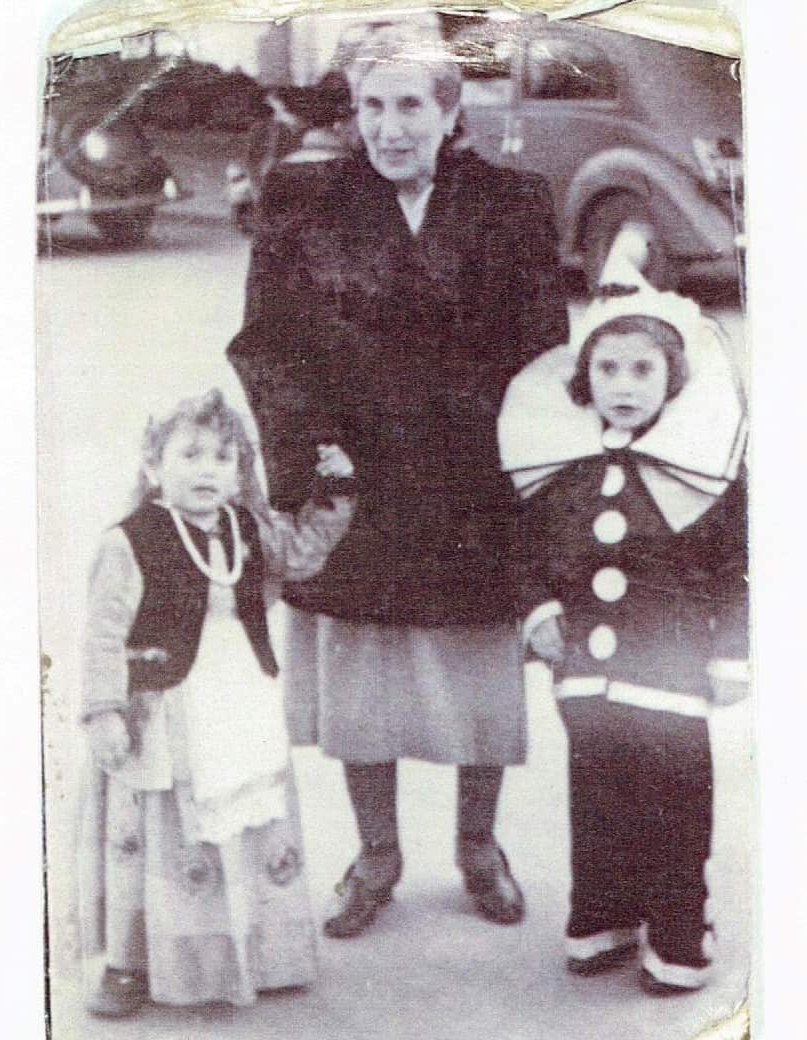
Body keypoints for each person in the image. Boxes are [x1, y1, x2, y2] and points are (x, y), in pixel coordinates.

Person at [227, 27, 569, 938]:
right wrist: (311, 459)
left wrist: (533, 473)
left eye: (411, 104)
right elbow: (266, 348)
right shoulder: (305, 197)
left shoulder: (514, 202)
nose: (388, 127)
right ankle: (378, 855)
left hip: (473, 488)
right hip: (357, 483)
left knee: (479, 679)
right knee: (363, 687)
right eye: (372, 105)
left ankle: (478, 847)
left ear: (451, 112)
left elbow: (542, 353)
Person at [498, 253, 749, 994]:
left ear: (673, 379)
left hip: (671, 669)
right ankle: (603, 913)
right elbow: (528, 547)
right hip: (585, 668)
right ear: (585, 379)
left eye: (643, 371)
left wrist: (732, 653)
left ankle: (677, 932)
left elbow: (738, 569)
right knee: (598, 793)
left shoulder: (706, 469)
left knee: (673, 804)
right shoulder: (565, 463)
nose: (624, 387)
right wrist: (538, 609)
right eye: (608, 369)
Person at [77, 389, 355, 1015]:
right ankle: (129, 964)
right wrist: (103, 712)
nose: (208, 469)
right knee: (162, 835)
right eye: (191, 454)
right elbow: (101, 635)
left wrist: (334, 493)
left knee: (250, 826)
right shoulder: (129, 542)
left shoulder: (247, 527)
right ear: (153, 466)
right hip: (167, 711)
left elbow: (301, 556)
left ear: (240, 471)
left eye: (224, 457)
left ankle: (261, 954)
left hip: (241, 699)